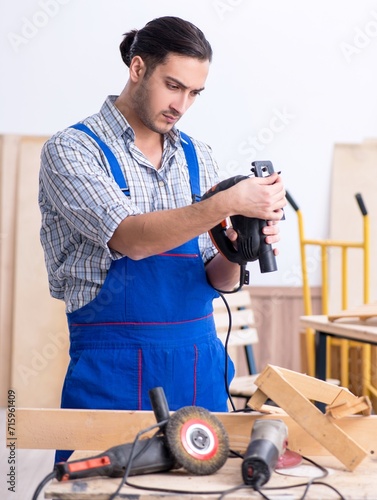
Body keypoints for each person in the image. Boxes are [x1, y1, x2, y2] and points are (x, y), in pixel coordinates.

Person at [39, 16, 286, 461]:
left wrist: (240, 248)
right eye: (174, 86)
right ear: (138, 68)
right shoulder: (73, 150)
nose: (183, 104)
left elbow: (219, 280)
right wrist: (226, 202)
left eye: (194, 93)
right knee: (99, 486)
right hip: (112, 376)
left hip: (199, 371)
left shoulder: (197, 156)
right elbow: (131, 238)